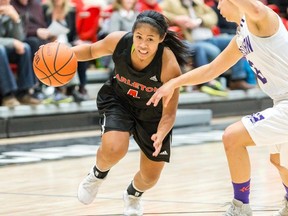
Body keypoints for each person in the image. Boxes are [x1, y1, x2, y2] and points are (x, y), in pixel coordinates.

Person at [147, 0, 288, 215]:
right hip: (281, 102)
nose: (218, 7)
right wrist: (174, 83)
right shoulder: (242, 36)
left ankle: (241, 207)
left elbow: (256, 8)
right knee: (279, 161)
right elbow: (211, 70)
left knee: (232, 137)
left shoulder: (263, 20)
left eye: (221, 1)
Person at [71, 10, 188, 215]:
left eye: (150, 39)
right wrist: (61, 52)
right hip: (120, 100)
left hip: (153, 113)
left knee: (150, 177)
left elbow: (169, 112)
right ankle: (97, 175)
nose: (143, 45)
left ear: (161, 39)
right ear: (132, 34)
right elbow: (90, 51)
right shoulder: (119, 42)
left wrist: (162, 132)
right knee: (114, 149)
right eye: (139, 37)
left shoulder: (168, 66)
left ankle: (133, 195)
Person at [0, 0, 41, 106]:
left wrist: (16, 19)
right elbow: (13, 41)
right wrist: (12, 42)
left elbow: (20, 39)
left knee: (25, 47)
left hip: (4, 48)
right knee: (0, 50)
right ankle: (8, 95)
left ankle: (24, 93)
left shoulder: (8, 11)